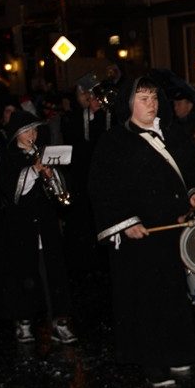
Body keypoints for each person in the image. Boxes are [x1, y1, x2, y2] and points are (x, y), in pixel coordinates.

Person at [88, 76, 195, 388]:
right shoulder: (114, 141)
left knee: (173, 295)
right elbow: (103, 188)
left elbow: (192, 168)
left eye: (154, 97)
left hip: (173, 229)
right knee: (146, 300)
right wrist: (125, 221)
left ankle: (178, 350)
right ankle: (152, 362)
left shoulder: (172, 133)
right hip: (140, 234)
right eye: (142, 98)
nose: (151, 104)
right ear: (128, 103)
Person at [0, 110, 78, 344]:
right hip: (21, 226)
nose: (32, 135)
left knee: (53, 272)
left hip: (46, 224)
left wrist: (50, 173)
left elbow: (61, 191)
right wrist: (34, 170)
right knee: (23, 273)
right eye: (26, 131)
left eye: (34, 130)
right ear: (16, 135)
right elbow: (13, 190)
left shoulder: (45, 154)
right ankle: (23, 321)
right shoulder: (10, 158)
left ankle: (59, 321)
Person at [61, 75, 113, 279]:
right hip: (81, 180)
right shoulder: (72, 118)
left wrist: (99, 113)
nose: (88, 97)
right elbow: (77, 143)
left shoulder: (108, 115)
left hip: (104, 181)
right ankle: (84, 263)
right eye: (83, 94)